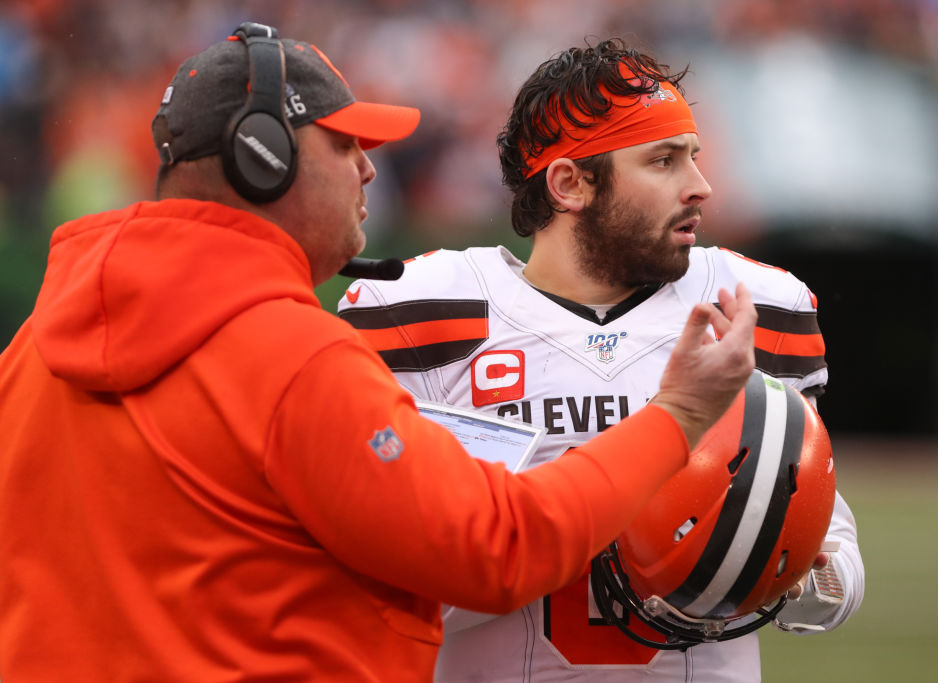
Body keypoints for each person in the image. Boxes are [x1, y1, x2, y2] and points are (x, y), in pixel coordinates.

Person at [0, 23, 762, 682]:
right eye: (346, 144)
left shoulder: (29, 349)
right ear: (262, 158)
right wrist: (679, 413)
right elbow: (500, 548)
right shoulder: (291, 356)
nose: (369, 169)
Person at [337, 38, 865, 681]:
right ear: (569, 184)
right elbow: (369, 581)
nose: (700, 186)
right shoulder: (422, 315)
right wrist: (582, 534)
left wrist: (760, 560)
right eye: (664, 161)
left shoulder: (750, 307)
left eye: (693, 157)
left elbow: (834, 568)